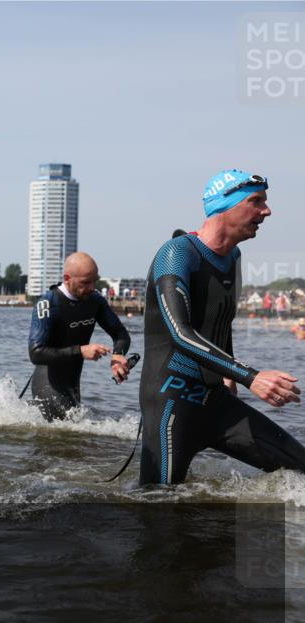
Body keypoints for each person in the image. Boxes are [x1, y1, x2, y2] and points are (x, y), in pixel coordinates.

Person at [140, 169, 303, 485]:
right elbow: (180, 333)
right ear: (225, 206)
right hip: (171, 402)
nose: (266, 211)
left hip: (215, 401)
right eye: (256, 202)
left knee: (300, 471)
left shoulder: (233, 257)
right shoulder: (176, 254)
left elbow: (220, 322)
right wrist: (250, 377)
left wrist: (230, 378)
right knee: (158, 509)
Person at [27, 252, 132, 421]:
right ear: (67, 278)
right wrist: (81, 351)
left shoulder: (95, 301)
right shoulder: (48, 304)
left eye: (94, 281)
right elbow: (36, 353)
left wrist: (118, 355)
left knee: (75, 435)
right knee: (61, 439)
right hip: (48, 382)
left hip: (73, 383)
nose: (92, 287)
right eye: (85, 282)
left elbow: (121, 334)